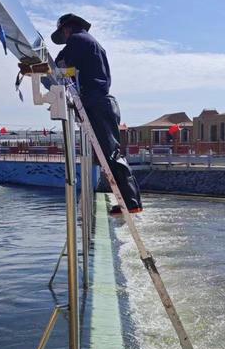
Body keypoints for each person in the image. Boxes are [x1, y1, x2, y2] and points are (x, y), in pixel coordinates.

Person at [20, 13, 143, 215]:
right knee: (110, 153)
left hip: (96, 103)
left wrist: (37, 68)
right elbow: (67, 68)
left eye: (64, 33)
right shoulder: (90, 43)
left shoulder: (78, 40)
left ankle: (131, 203)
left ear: (67, 29)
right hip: (102, 102)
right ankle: (129, 201)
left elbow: (60, 65)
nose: (65, 38)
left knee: (111, 154)